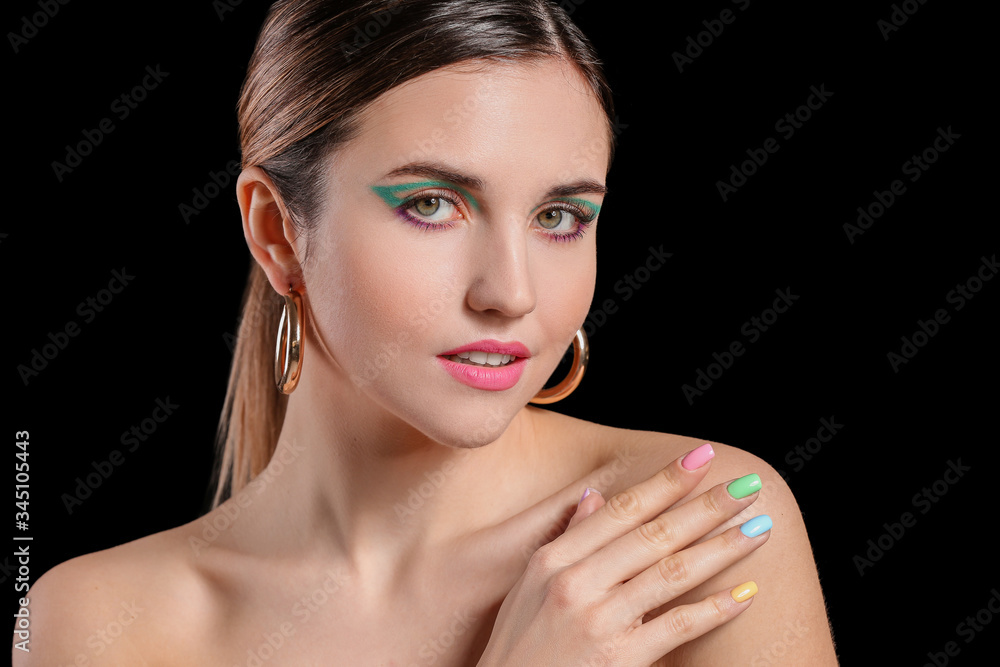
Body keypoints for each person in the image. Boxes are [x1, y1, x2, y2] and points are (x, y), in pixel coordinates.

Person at [15, 1, 838, 664]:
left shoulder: (703, 531)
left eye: (560, 216)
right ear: (275, 232)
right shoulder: (94, 622)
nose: (510, 293)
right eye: (432, 205)